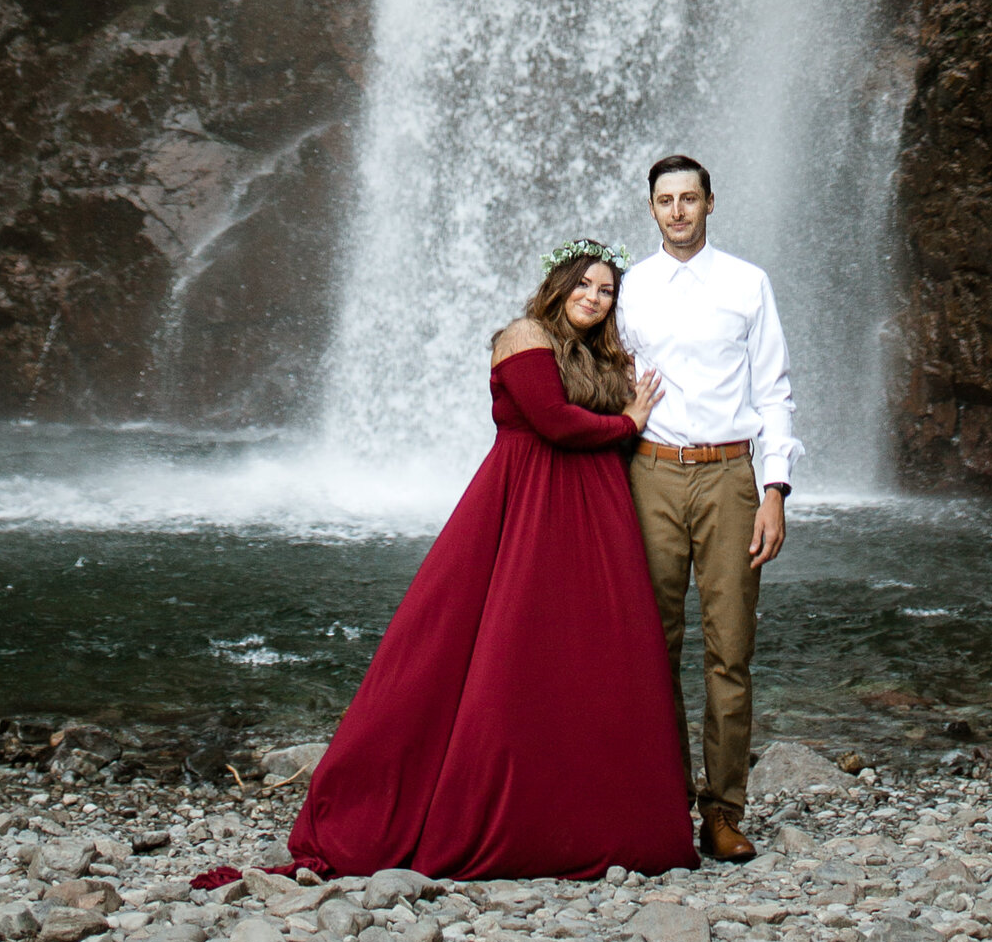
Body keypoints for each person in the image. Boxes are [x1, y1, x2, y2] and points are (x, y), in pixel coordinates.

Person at [288, 241, 697, 880]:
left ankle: (595, 818)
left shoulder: (597, 354)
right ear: (559, 285)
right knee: (479, 649)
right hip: (523, 507)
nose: (595, 296)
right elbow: (555, 423)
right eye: (584, 284)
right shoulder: (523, 335)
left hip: (591, 515)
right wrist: (628, 423)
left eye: (607, 290)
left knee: (582, 658)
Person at [613, 155, 799, 865]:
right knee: (651, 649)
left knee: (730, 651)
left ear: (711, 205)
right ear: (652, 209)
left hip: (729, 476)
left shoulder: (747, 283)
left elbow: (774, 390)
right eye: (666, 200)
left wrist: (774, 492)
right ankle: (658, 804)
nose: (678, 211)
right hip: (652, 475)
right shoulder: (628, 288)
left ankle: (723, 811)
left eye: (690, 198)